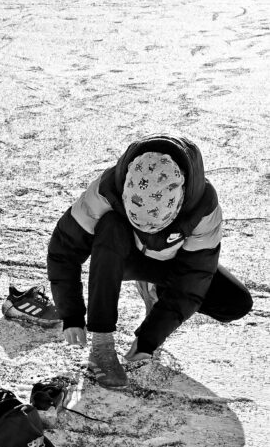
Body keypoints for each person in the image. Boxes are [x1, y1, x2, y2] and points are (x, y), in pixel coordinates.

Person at [46, 133, 253, 388]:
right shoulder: (105, 190)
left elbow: (193, 280)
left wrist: (149, 339)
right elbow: (64, 251)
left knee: (235, 303)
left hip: (170, 263)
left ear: (179, 202)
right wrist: (72, 314)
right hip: (122, 257)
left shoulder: (204, 206)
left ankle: (155, 290)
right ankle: (102, 344)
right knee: (111, 227)